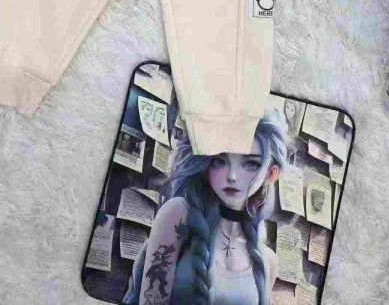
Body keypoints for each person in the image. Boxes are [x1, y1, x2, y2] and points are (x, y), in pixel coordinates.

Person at [123, 113, 289, 305]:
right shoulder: (178, 215)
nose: (232, 176)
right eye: (220, 161)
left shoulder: (267, 262)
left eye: (250, 163)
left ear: (271, 174)